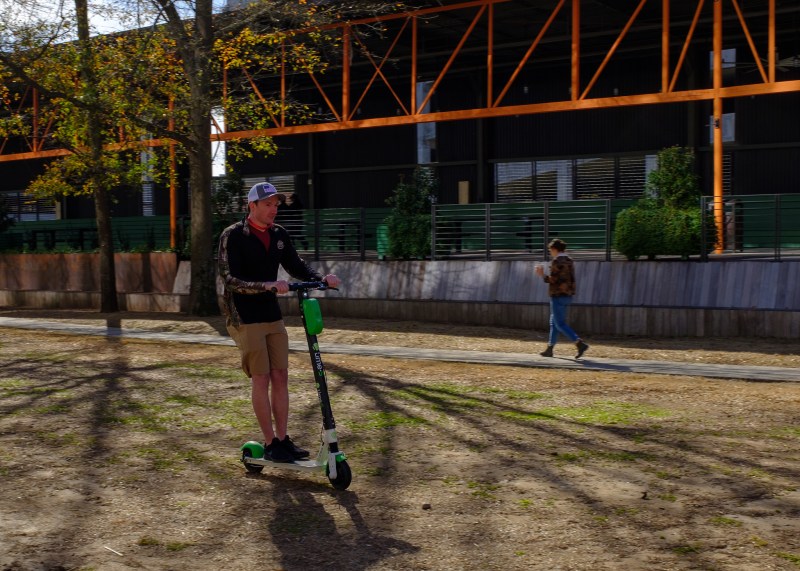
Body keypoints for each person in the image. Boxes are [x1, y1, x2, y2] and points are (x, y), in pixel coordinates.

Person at [218, 182, 341, 462]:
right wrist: (266, 285)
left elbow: (295, 265)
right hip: (245, 315)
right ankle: (270, 442)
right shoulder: (233, 235)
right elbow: (230, 279)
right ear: (252, 206)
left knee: (281, 375)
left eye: (276, 205)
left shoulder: (278, 234)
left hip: (271, 313)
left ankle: (283, 440)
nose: (274, 209)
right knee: (261, 378)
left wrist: (321, 278)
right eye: (268, 204)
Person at [534, 238, 589, 359]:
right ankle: (550, 349)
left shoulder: (556, 261)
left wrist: (542, 274)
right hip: (568, 294)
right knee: (554, 323)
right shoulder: (569, 260)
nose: (550, 252)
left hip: (557, 295)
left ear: (555, 249)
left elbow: (553, 280)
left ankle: (579, 343)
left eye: (550, 250)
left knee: (559, 324)